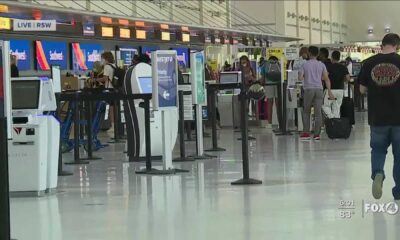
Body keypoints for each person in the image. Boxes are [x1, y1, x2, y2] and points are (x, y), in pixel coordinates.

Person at [358, 33, 400, 200]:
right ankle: (398, 191)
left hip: (377, 117)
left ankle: (378, 174)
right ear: (397, 45)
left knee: (378, 150)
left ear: (382, 45)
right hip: (399, 118)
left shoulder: (368, 62)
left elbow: (361, 90)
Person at [299, 46, 335, 141]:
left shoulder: (305, 64)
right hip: (319, 89)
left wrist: (307, 77)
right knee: (318, 113)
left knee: (306, 111)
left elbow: (300, 77)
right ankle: (316, 135)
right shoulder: (321, 65)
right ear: (318, 54)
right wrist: (330, 92)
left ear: (309, 53)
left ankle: (306, 133)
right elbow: (326, 78)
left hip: (308, 89)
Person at [323, 50, 351, 118]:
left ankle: (332, 118)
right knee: (337, 108)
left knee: (325, 106)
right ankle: (336, 124)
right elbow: (348, 79)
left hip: (330, 90)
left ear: (332, 57)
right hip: (340, 90)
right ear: (339, 58)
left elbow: (324, 78)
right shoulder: (343, 67)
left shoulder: (329, 67)